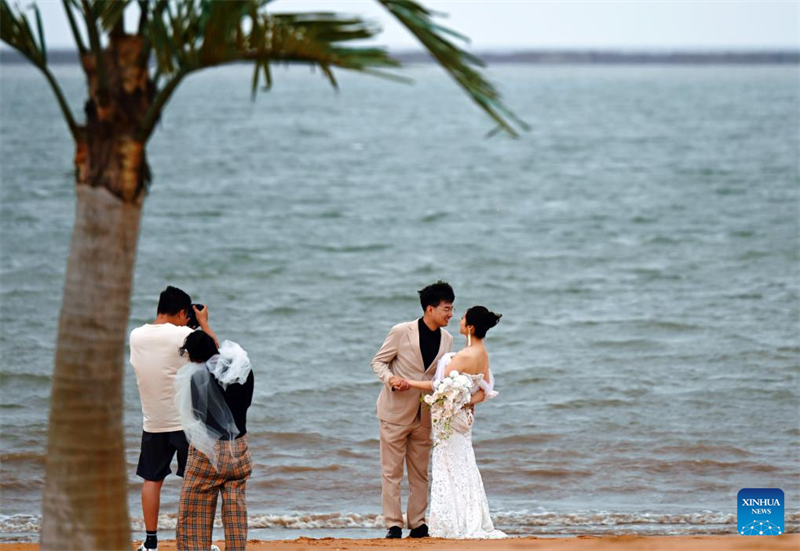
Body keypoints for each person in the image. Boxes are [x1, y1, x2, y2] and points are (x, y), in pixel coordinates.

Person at [400, 306, 507, 539]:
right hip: (464, 417)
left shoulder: (464, 356)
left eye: (462, 318)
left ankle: (452, 523)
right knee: (465, 464)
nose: (458, 320)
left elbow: (438, 386)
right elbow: (486, 390)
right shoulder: (482, 353)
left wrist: (408, 382)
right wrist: (467, 403)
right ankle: (468, 517)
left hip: (449, 417)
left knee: (448, 466)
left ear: (470, 327)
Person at [130, 286, 217, 551]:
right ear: (182, 313)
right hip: (187, 423)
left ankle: (151, 543)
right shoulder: (186, 334)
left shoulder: (135, 336)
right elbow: (215, 357)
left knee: (151, 480)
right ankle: (199, 543)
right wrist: (203, 324)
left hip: (153, 422)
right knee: (198, 484)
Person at [370, 280, 455, 539]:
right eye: (446, 309)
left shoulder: (448, 339)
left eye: (452, 309)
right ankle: (393, 524)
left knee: (421, 473)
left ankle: (418, 524)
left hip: (425, 415)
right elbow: (378, 362)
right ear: (430, 309)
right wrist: (390, 379)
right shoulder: (400, 331)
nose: (451, 314)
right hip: (394, 412)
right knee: (391, 472)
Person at [174, 331, 255, 551]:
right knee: (235, 512)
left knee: (194, 513)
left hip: (208, 452)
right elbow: (245, 403)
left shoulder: (198, 377)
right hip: (238, 449)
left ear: (194, 356)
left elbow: (198, 416)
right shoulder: (242, 367)